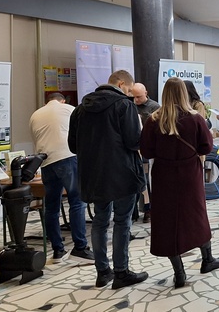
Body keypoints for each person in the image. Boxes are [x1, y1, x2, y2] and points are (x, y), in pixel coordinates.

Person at [139, 77, 219, 288]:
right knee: (196, 215)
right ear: (184, 94)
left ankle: (179, 273)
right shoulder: (195, 118)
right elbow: (206, 147)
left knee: (167, 221)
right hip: (190, 174)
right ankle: (207, 259)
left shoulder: (153, 120)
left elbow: (146, 151)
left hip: (163, 176)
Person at [68, 70, 148, 289]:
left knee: (100, 222)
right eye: (129, 90)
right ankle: (121, 272)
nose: (130, 94)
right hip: (122, 174)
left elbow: (73, 146)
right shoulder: (124, 106)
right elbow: (134, 141)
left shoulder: (80, 109)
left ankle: (102, 272)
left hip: (93, 175)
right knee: (122, 222)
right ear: (121, 84)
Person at [30, 92, 94, 263]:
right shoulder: (69, 109)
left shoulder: (35, 115)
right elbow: (81, 134)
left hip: (45, 162)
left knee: (51, 207)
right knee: (77, 202)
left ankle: (58, 251)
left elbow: (36, 139)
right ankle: (80, 248)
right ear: (62, 101)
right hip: (67, 157)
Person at [133, 82, 159, 223]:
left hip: (148, 149)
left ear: (146, 93)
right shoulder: (130, 106)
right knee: (136, 178)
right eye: (134, 97)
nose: (136, 100)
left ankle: (148, 209)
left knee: (147, 179)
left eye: (139, 97)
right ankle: (135, 210)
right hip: (133, 148)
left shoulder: (155, 107)